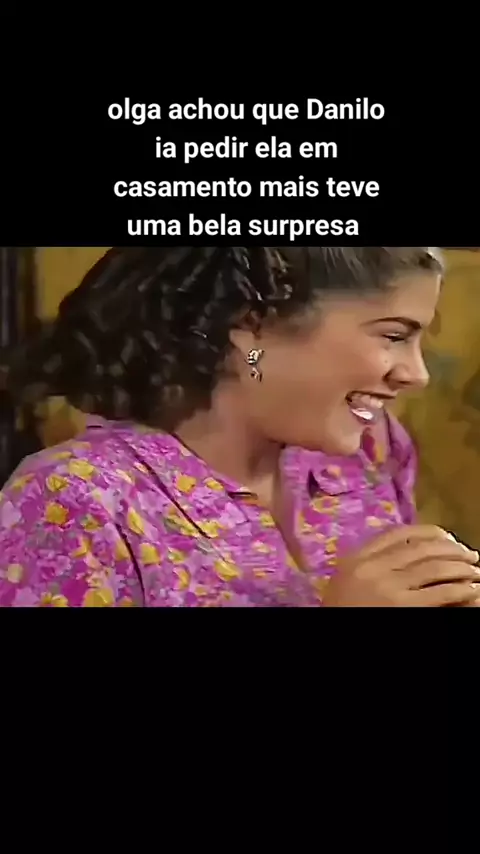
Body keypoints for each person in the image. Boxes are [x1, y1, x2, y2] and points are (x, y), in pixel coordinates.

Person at [0, 246, 478, 607]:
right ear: (252, 326)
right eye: (393, 336)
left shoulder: (369, 452)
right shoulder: (75, 501)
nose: (417, 374)